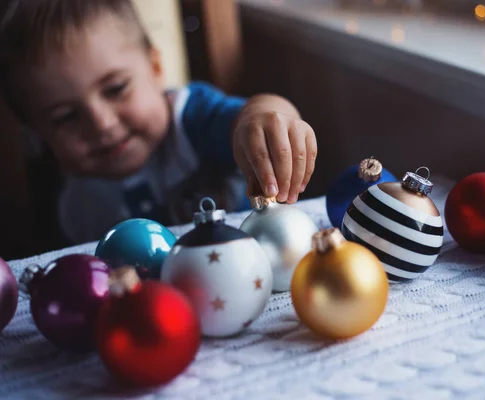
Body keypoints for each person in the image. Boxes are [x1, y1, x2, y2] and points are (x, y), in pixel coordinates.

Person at [0, 0, 317, 245]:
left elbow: (250, 117)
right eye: (65, 117)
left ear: (155, 67)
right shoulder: (64, 201)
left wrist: (269, 117)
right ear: (35, 131)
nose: (102, 124)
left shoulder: (192, 118)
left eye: (116, 89)